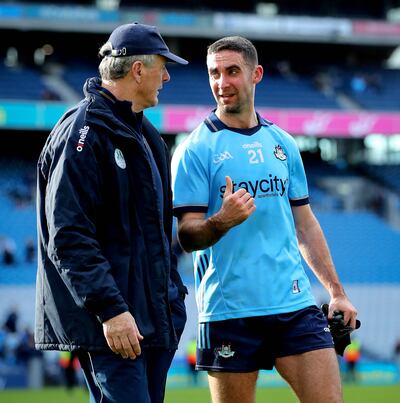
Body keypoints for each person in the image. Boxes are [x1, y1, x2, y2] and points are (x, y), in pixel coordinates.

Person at [171, 36, 358, 403]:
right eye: (214, 73)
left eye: (232, 71)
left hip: (294, 304)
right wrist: (221, 221)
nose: (222, 83)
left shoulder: (283, 143)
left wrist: (337, 292)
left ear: (256, 74)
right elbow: (187, 236)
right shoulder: (195, 149)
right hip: (229, 311)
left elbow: (305, 224)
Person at [35, 22, 188, 403]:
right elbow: (68, 234)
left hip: (152, 322)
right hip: (116, 325)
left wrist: (173, 298)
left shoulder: (147, 136)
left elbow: (154, 229)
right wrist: (111, 311)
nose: (167, 77)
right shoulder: (83, 132)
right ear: (138, 70)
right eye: (162, 67)